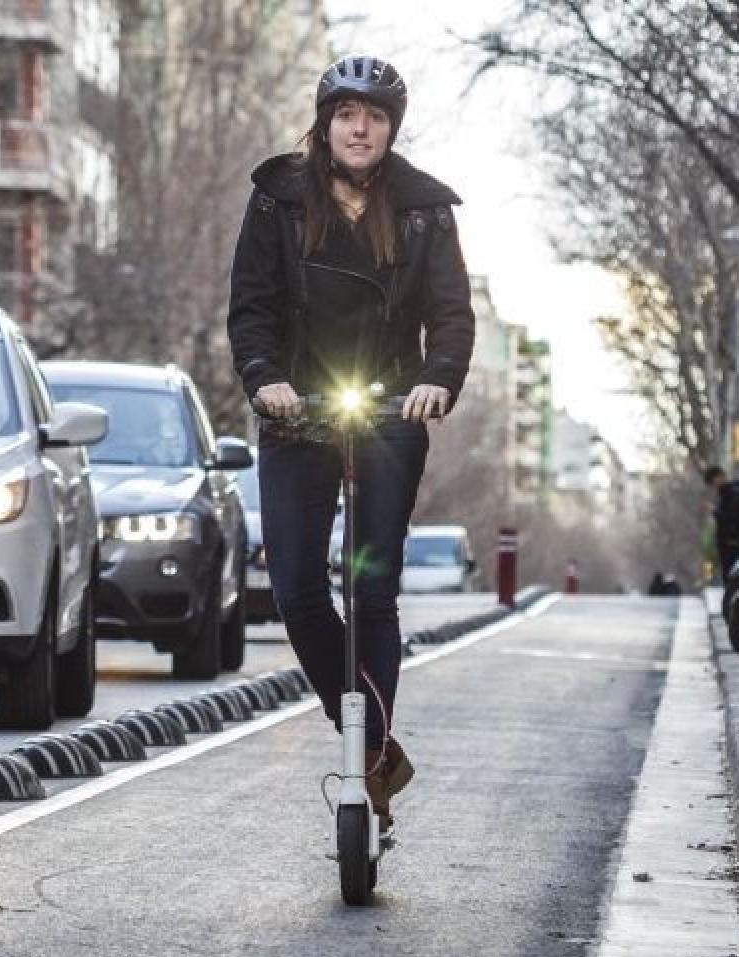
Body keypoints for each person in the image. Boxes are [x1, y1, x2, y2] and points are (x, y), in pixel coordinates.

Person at [226, 54, 475, 832]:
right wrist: (265, 377)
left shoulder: (426, 211)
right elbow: (251, 307)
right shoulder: (278, 200)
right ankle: (369, 745)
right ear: (325, 123)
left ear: (391, 126)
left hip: (391, 412)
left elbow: (454, 314)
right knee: (299, 587)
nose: (359, 127)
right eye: (345, 113)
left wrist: (438, 379)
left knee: (372, 591)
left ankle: (367, 757)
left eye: (373, 115)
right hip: (297, 412)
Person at [706, 465, 739, 583]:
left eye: (713, 482)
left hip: (732, 543)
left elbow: (732, 517)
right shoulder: (726, 493)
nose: (714, 486)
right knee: (731, 576)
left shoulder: (734, 492)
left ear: (719, 477)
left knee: (734, 577)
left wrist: (715, 511)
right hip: (728, 543)